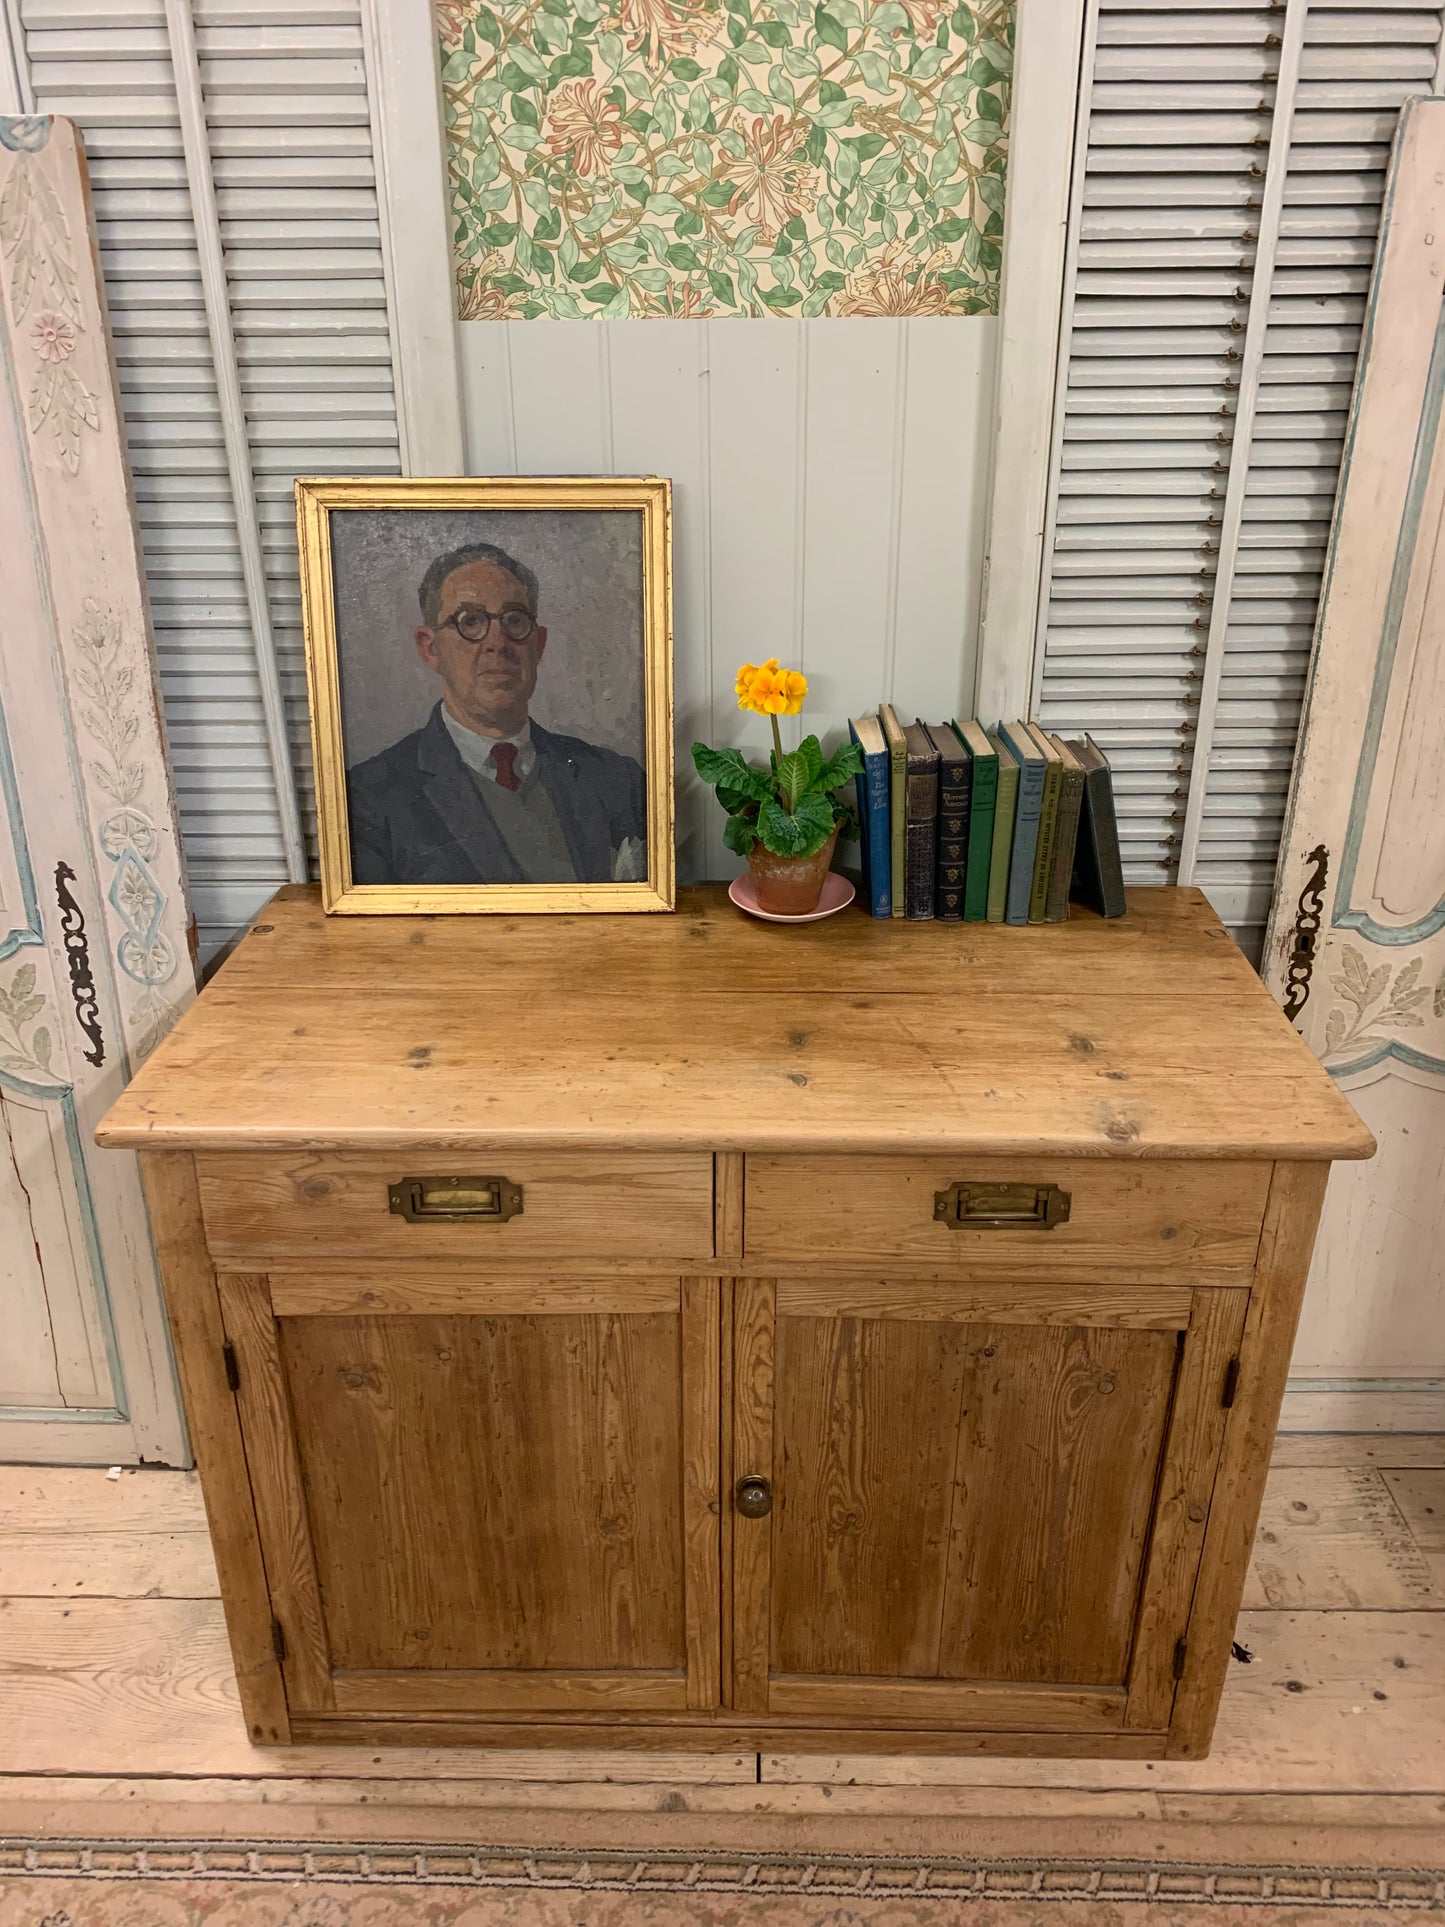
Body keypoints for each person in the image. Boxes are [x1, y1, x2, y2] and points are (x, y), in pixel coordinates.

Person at [346, 540, 647, 885]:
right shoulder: (371, 798)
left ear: (539, 644)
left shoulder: (616, 780)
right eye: (470, 621)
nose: (497, 642)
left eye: (514, 620)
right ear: (430, 649)